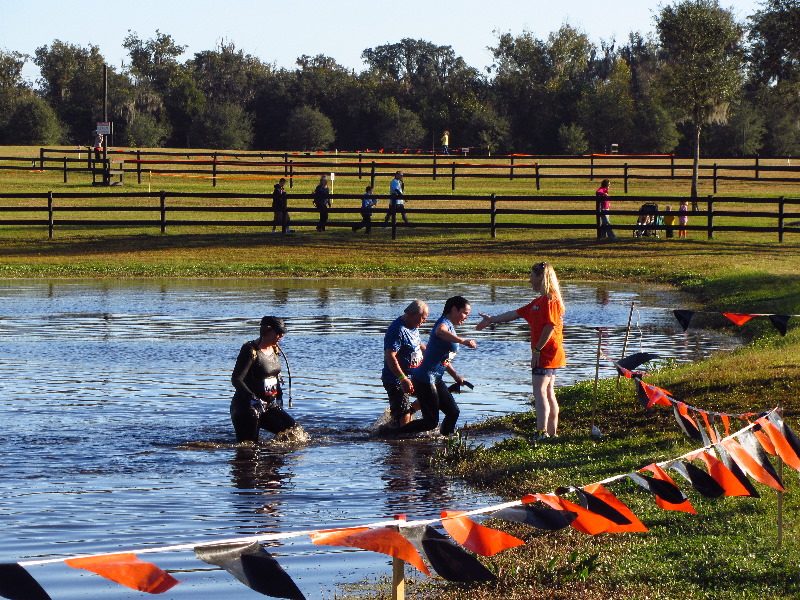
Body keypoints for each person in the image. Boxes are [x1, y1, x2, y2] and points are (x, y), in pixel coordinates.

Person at [476, 262, 566, 439]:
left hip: (547, 352)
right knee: (548, 391)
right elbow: (515, 314)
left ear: (541, 277)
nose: (529, 280)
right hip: (547, 352)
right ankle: (550, 433)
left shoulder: (551, 300)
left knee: (540, 391)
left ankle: (542, 433)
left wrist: (537, 350)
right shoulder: (538, 301)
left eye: (532, 276)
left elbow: (550, 326)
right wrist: (492, 319)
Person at [397, 296, 476, 436]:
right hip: (425, 379)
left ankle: (446, 440)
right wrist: (463, 341)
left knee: (453, 412)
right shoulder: (443, 323)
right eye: (465, 313)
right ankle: (392, 434)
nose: (466, 317)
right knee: (431, 422)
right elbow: (440, 331)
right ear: (454, 309)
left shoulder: (451, 327)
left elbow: (444, 359)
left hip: (436, 378)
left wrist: (456, 377)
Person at [230, 316, 298, 443]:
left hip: (268, 406)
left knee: (295, 433)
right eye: (278, 332)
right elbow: (236, 379)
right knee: (249, 448)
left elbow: (273, 376)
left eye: (282, 333)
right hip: (247, 408)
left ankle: (273, 453)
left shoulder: (275, 349)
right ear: (267, 331)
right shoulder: (250, 350)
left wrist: (279, 397)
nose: (281, 336)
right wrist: (253, 398)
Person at [381, 300, 429, 428]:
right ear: (412, 315)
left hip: (414, 376)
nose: (424, 321)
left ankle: (407, 412)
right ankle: (400, 435)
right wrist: (403, 379)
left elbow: (418, 344)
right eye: (423, 318)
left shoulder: (413, 326)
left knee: (431, 396)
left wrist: (431, 355)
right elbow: (390, 355)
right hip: (396, 380)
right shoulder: (398, 330)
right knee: (403, 420)